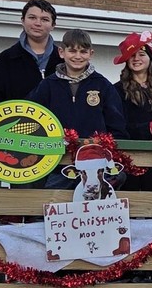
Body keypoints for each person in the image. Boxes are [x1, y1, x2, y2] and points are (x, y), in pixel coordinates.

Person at [27, 28, 128, 189]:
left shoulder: (103, 85)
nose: (78, 56)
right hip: (56, 166)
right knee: (53, 206)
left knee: (94, 210)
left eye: (83, 51)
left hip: (95, 167)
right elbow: (33, 118)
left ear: (91, 53)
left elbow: (117, 127)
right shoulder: (47, 85)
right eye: (72, 51)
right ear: (61, 52)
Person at [113, 31, 152, 191]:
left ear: (150, 58)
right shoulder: (117, 91)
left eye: (141, 54)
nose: (136, 59)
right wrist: (151, 127)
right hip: (129, 160)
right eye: (132, 55)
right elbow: (119, 127)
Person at [0, 0, 63, 112]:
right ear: (22, 21)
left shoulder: (64, 61)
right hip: (15, 128)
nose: (37, 23)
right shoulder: (6, 59)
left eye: (44, 19)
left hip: (57, 129)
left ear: (53, 25)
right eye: (32, 18)